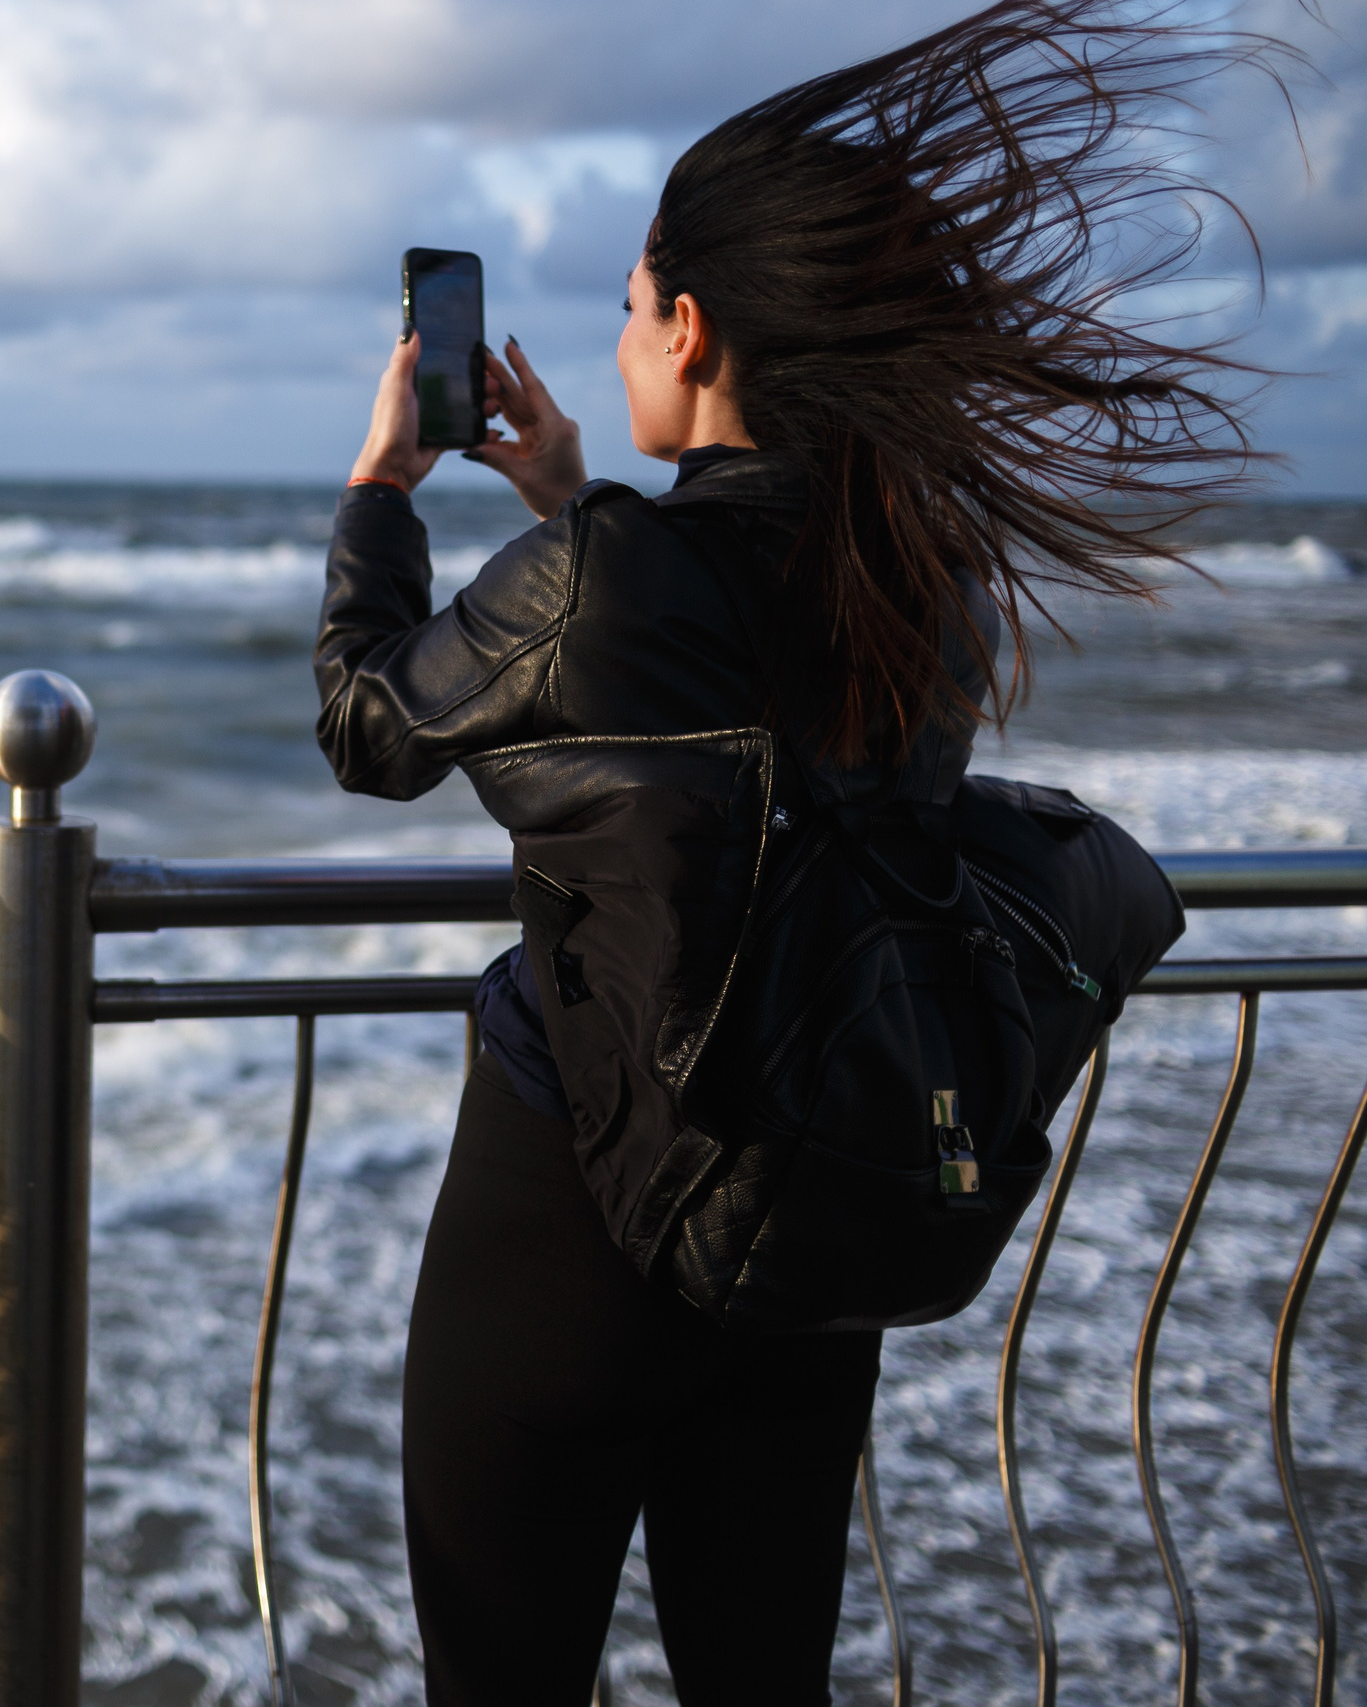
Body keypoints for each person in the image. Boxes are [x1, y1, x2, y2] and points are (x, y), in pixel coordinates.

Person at [312, 3, 1287, 1700]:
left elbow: (367, 727)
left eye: (634, 308)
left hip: (573, 1216)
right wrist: (575, 503)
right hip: (811, 1203)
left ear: (691, 331)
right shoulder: (921, 581)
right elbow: (732, 691)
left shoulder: (606, 573)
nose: (625, 340)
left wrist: (384, 487)